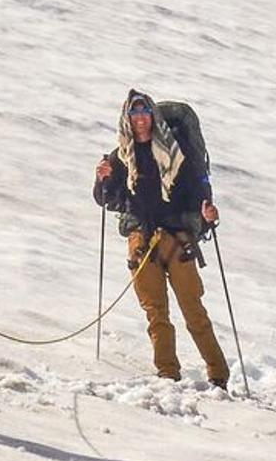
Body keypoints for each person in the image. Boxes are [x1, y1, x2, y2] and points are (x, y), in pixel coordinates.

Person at [93, 90, 227, 387]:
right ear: (127, 119)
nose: (140, 119)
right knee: (156, 312)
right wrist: (101, 178)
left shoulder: (176, 153)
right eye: (134, 114)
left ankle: (218, 374)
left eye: (143, 113)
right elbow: (107, 199)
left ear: (152, 115)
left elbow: (196, 190)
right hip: (143, 242)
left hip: (176, 240)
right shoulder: (121, 157)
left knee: (193, 310)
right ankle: (167, 373)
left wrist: (206, 211)